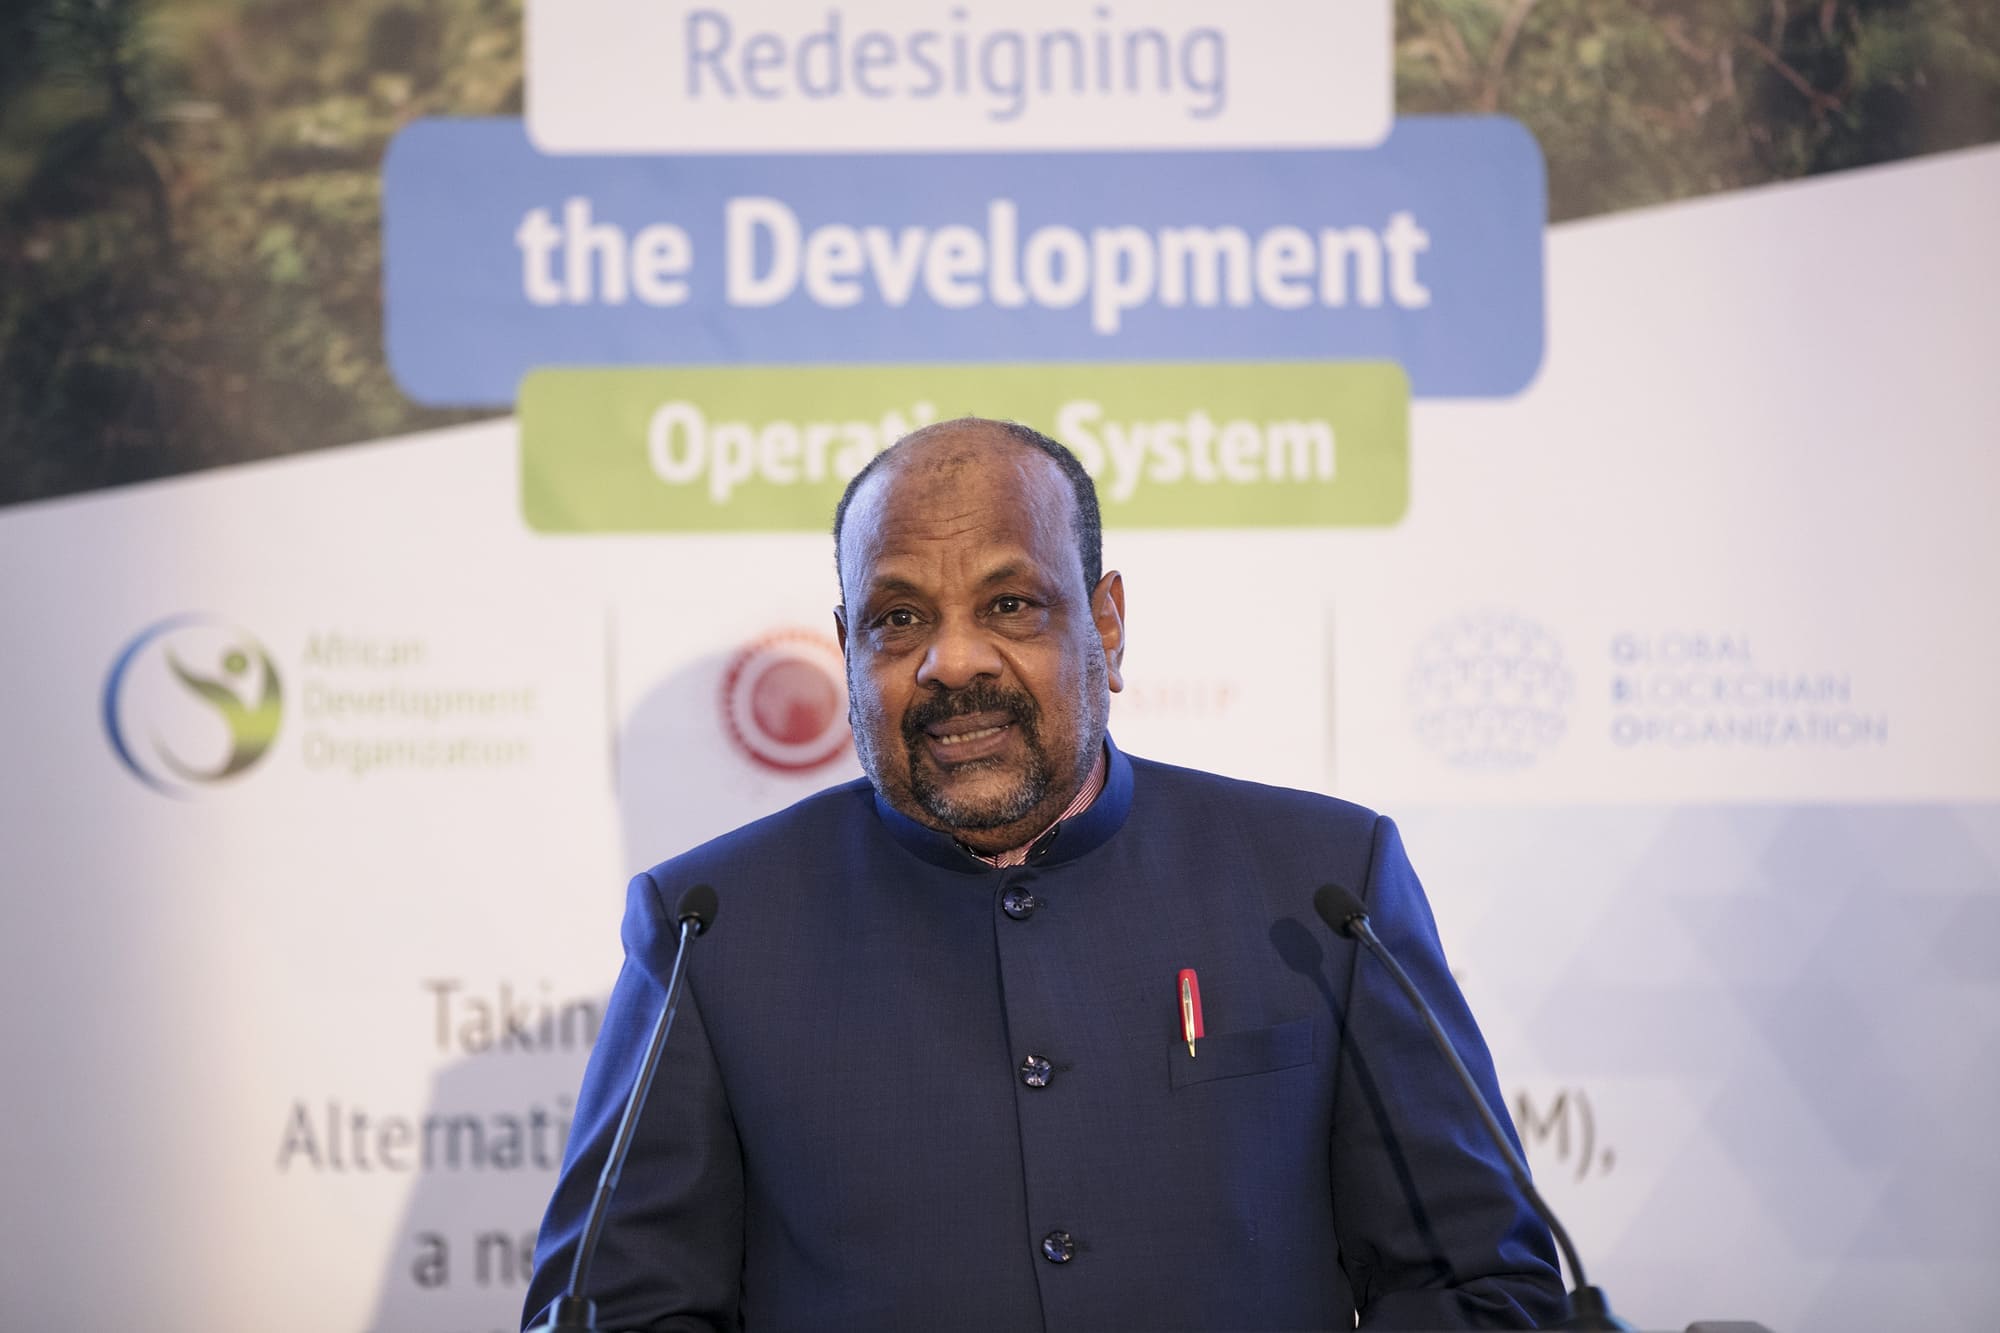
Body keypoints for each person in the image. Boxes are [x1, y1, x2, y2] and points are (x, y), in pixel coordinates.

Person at [524, 418, 1568, 1331]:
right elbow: (615, 1314)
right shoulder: (710, 931)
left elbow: (1483, 1287)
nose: (952, 662)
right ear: (847, 650)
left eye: (1011, 603)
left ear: (1105, 624)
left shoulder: (1323, 884)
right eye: (898, 619)